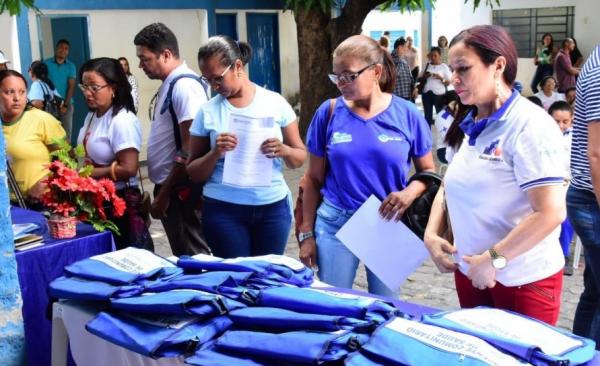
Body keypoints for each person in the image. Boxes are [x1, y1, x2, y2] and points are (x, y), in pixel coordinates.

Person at [424, 25, 567, 325]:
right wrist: (432, 234)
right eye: (452, 69)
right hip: (471, 272)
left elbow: (550, 213)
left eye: (464, 68)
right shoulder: (470, 119)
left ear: (498, 65)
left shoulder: (530, 126)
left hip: (523, 280)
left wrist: (493, 259)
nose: (454, 79)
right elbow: (449, 183)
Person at [298, 35, 435, 297]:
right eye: (336, 76)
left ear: (376, 71)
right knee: (335, 307)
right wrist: (307, 235)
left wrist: (408, 194)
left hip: (387, 222)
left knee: (386, 309)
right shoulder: (328, 113)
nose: (341, 84)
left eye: (349, 75)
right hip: (335, 221)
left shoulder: (407, 114)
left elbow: (428, 174)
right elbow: (313, 179)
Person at [187, 35, 306, 258]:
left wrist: (284, 150)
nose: (214, 86)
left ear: (238, 67)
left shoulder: (275, 102)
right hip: (223, 210)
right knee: (236, 279)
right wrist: (215, 152)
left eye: (218, 79)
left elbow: (299, 156)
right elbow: (193, 172)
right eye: (208, 80)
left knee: (266, 279)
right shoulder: (208, 111)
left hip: (272, 208)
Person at [134, 23, 210, 256]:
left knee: (195, 259)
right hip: (171, 189)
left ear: (166, 54)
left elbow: (191, 148)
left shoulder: (185, 87)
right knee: (183, 255)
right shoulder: (171, 84)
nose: (140, 65)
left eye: (145, 59)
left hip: (180, 190)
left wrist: (165, 193)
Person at [76, 57, 153, 251]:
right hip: (96, 201)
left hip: (119, 203)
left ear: (114, 87)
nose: (87, 93)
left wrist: (89, 173)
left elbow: (129, 168)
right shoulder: (92, 115)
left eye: (94, 87)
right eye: (84, 86)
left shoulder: (122, 120)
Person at [568, 43, 600, 349]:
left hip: (588, 196)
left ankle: (585, 353)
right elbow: (597, 153)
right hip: (592, 198)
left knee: (595, 290)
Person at [0, 70, 66, 209]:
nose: (17, 98)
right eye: (9, 92)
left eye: (22, 92)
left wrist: (44, 183)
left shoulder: (41, 119)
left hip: (41, 203)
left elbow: (69, 161)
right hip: (7, 206)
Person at [45, 39, 76, 139]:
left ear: (68, 52)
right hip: (50, 104)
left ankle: (65, 154)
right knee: (51, 133)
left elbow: (71, 86)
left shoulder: (71, 66)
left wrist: (65, 105)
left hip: (66, 103)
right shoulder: (46, 63)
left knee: (66, 133)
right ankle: (54, 155)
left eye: (66, 49)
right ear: (56, 48)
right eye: (61, 47)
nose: (63, 50)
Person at [420, 46, 452, 125]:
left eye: (435, 55)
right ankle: (427, 135)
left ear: (439, 56)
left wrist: (441, 78)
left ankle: (442, 135)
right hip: (426, 94)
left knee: (441, 116)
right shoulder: (426, 65)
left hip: (439, 95)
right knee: (427, 116)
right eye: (431, 55)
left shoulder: (444, 67)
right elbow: (419, 78)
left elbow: (449, 82)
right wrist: (426, 76)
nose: (433, 58)